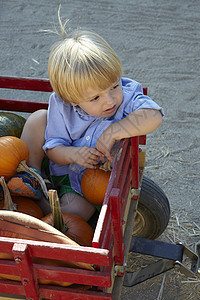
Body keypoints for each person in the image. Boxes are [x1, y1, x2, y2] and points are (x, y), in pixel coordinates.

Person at [6, 19, 164, 221]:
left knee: (73, 214)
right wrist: (73, 154)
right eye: (95, 98)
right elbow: (53, 149)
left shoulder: (128, 93)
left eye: (113, 86)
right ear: (71, 100)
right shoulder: (61, 106)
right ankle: (33, 176)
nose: (110, 100)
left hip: (87, 183)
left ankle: (39, 209)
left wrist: (114, 131)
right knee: (39, 118)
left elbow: (154, 115)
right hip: (61, 166)